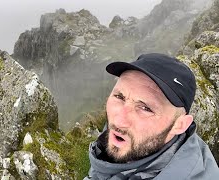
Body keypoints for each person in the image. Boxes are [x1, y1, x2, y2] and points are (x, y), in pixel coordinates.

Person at [85, 53, 219, 179]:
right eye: (119, 96)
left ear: (180, 125)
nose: (119, 121)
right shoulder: (130, 140)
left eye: (145, 108)